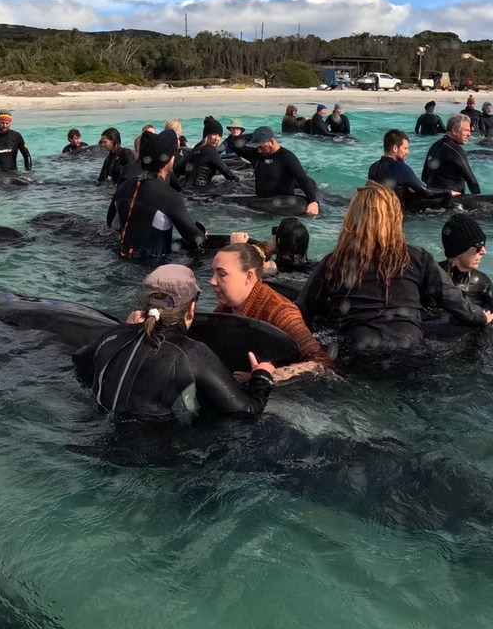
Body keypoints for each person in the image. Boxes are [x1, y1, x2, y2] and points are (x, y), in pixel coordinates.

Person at [296, 184, 493, 355]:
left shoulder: (335, 261)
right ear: (395, 218)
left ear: (352, 220)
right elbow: (453, 299)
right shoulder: (417, 257)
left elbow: (301, 311)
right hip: (409, 349)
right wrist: (480, 317)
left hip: (357, 352)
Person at [73, 264, 276, 421]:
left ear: (146, 303)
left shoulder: (113, 336)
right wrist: (262, 376)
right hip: (154, 461)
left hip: (99, 438)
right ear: (191, 309)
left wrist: (125, 329)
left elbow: (79, 361)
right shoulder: (194, 354)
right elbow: (247, 412)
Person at [207, 242, 332, 375]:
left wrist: (271, 376)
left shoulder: (281, 312)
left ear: (248, 277)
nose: (212, 281)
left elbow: (322, 363)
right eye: (212, 273)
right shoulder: (224, 309)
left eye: (221, 274)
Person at [108, 129, 206, 261]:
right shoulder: (169, 196)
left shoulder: (125, 186)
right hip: (155, 268)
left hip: (122, 259)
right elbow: (195, 239)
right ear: (168, 160)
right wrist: (202, 231)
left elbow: (112, 223)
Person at [367, 129, 457, 210]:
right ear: (395, 148)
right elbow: (426, 192)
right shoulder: (399, 167)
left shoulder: (373, 167)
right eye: (405, 148)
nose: (408, 152)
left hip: (379, 213)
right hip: (397, 216)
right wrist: (448, 192)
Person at [245, 127, 321, 215]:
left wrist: (313, 201)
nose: (259, 150)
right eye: (257, 147)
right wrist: (254, 137)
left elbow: (302, 179)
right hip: (263, 200)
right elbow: (233, 144)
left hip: (281, 202)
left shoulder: (287, 157)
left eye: (262, 146)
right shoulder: (259, 155)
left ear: (272, 141)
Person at [439, 214, 493, 313]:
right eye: (478, 247)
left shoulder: (482, 283)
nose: (484, 251)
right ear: (459, 251)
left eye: (484, 245)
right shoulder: (431, 276)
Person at [421, 115, 482, 196]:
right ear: (454, 131)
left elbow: (424, 177)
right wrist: (479, 199)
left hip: (433, 198)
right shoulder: (456, 151)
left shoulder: (435, 146)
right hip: (453, 201)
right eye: (466, 130)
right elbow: (472, 182)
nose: (469, 134)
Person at [180, 117, 240, 189]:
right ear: (207, 135)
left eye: (219, 135)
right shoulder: (210, 150)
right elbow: (227, 173)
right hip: (200, 191)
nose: (217, 139)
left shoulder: (196, 148)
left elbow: (179, 168)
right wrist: (239, 181)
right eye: (214, 134)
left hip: (187, 187)